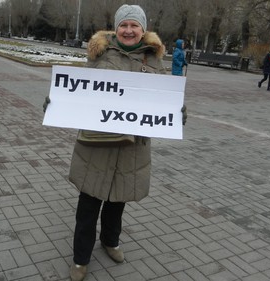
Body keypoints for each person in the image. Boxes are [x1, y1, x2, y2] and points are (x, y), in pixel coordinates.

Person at [43, 4, 187, 281]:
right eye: (124, 25)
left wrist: (176, 110)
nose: (129, 30)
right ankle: (80, 259)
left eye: (135, 26)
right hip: (96, 145)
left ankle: (111, 241)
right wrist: (56, 101)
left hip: (131, 147)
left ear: (143, 30)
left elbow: (162, 98)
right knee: (88, 205)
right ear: (116, 28)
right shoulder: (99, 54)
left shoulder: (153, 60)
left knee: (117, 201)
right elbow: (79, 90)